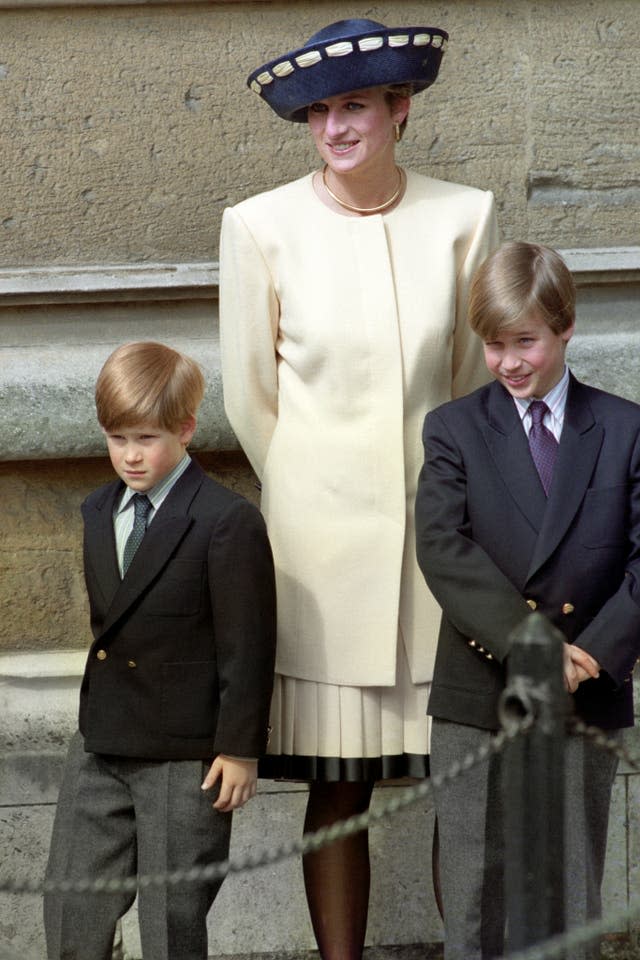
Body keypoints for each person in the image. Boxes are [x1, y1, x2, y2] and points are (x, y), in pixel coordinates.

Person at [219, 17, 498, 959]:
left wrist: (445, 499)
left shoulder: (465, 215)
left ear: (398, 109)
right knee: (339, 791)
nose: (335, 128)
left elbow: (468, 383)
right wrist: (314, 492)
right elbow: (250, 395)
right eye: (319, 113)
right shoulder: (259, 226)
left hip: (440, 552)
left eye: (355, 107)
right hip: (319, 559)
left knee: (460, 786)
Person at [415, 241, 640, 960]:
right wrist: (533, 644)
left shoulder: (625, 429)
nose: (509, 361)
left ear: (565, 326)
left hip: (586, 689)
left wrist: (590, 655)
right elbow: (444, 550)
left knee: (570, 890)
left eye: (526, 342)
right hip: (480, 692)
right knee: (476, 887)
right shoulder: (453, 430)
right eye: (493, 344)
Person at [43, 341, 277, 960]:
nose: (130, 455)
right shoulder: (98, 509)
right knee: (71, 904)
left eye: (145, 437)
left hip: (186, 752)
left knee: (172, 923)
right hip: (102, 740)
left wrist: (239, 747)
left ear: (186, 427)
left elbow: (247, 645)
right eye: (117, 438)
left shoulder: (226, 519)